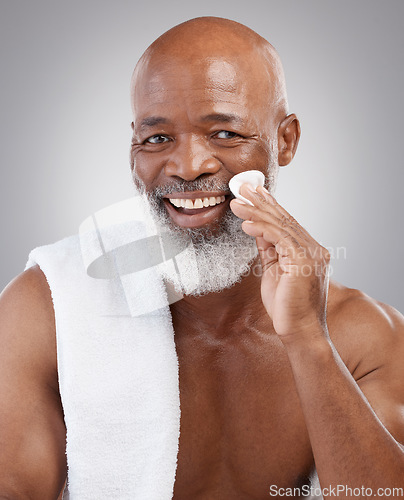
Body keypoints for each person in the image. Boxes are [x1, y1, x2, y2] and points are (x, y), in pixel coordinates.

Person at [0, 16, 403, 500]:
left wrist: (307, 338)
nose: (189, 166)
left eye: (225, 134)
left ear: (286, 140)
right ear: (133, 153)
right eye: (157, 138)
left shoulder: (364, 335)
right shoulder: (48, 312)